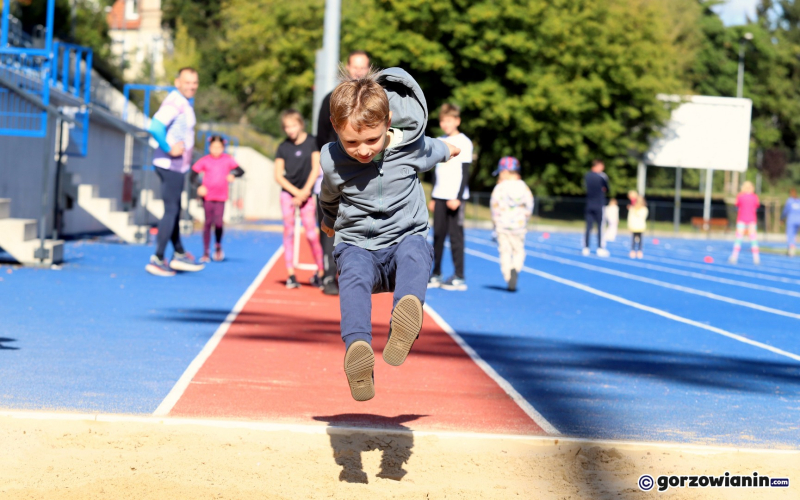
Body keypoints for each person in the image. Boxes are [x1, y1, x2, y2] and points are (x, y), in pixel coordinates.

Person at [319, 67, 460, 402]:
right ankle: (358, 348)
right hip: (358, 244)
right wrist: (329, 219)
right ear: (336, 128)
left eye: (372, 140)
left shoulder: (411, 146)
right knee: (352, 277)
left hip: (402, 237)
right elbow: (329, 195)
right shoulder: (333, 160)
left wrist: (451, 149)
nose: (362, 150)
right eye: (351, 142)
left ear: (388, 121)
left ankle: (405, 317)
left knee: (416, 251)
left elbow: (437, 148)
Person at [315, 51, 372, 296]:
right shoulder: (330, 99)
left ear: (369, 69)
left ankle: (356, 275)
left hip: (365, 174)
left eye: (363, 67)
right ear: (347, 67)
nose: (358, 71)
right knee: (330, 223)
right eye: (355, 66)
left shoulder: (376, 101)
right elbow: (320, 138)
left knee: (360, 226)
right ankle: (329, 275)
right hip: (336, 174)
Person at [145, 67, 205, 277]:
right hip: (170, 165)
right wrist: (169, 148)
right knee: (171, 210)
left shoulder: (184, 102)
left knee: (175, 209)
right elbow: (155, 126)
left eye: (194, 82)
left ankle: (179, 253)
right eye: (187, 82)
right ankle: (158, 258)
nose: (192, 86)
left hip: (177, 166)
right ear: (177, 82)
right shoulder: (175, 102)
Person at [275, 110, 325, 289]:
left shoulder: (312, 142)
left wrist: (304, 192)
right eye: (287, 127)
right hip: (288, 194)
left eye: (293, 126)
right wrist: (296, 193)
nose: (290, 130)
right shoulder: (283, 147)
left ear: (301, 125)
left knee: (311, 234)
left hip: (306, 194)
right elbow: (278, 175)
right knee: (288, 231)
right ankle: (290, 274)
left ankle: (321, 272)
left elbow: (315, 169)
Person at [428, 103, 473, 291]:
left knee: (456, 237)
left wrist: (458, 197)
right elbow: (435, 171)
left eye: (449, 120)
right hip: (439, 195)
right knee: (438, 236)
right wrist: (432, 196)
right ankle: (436, 273)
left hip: (455, 197)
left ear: (457, 121)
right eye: (443, 121)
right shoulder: (439, 141)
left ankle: (459, 276)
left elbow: (465, 172)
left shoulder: (464, 142)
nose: (445, 124)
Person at [191, 136, 245, 262]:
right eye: (213, 147)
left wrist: (233, 175)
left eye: (219, 147)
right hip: (208, 197)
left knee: (219, 223)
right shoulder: (205, 160)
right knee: (208, 223)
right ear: (209, 147)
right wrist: (199, 186)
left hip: (221, 197)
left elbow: (241, 171)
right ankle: (206, 252)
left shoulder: (228, 160)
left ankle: (218, 246)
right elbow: (192, 175)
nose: (216, 150)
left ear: (223, 148)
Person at [490, 157, 533, 292]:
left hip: (502, 225)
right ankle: (516, 266)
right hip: (519, 226)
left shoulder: (499, 188)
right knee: (518, 250)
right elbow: (530, 205)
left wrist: (495, 223)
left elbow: (494, 207)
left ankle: (508, 276)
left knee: (505, 252)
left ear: (505, 172)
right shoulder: (524, 187)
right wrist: (525, 218)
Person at [729, 181, 760, 265]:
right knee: (753, 239)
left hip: (741, 219)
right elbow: (757, 205)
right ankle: (756, 258)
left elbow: (736, 204)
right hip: (752, 220)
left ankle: (734, 256)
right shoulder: (754, 197)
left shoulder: (740, 196)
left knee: (738, 239)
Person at [582, 159, 610, 257]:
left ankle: (586, 248)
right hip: (599, 204)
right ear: (597, 166)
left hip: (589, 204)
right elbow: (607, 189)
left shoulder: (587, 176)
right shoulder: (601, 176)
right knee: (600, 227)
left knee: (588, 227)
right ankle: (600, 248)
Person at [782, 188, 800, 257]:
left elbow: (785, 210)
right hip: (798, 220)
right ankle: (792, 247)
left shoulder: (789, 201)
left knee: (790, 235)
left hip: (791, 220)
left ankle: (791, 249)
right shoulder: (799, 201)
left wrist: (782, 218)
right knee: (794, 234)